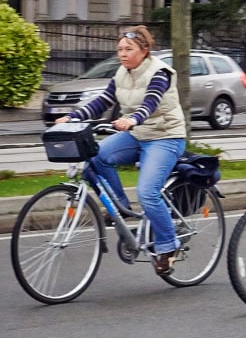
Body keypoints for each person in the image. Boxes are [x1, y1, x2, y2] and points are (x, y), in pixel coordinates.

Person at [64, 25, 187, 274]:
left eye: (128, 49)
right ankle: (119, 205)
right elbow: (103, 101)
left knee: (147, 191)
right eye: (119, 49)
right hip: (137, 134)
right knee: (94, 157)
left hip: (165, 137)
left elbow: (150, 101)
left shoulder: (159, 72)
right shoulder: (121, 73)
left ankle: (168, 244)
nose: (122, 53)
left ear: (144, 50)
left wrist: (133, 119)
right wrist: (73, 117)